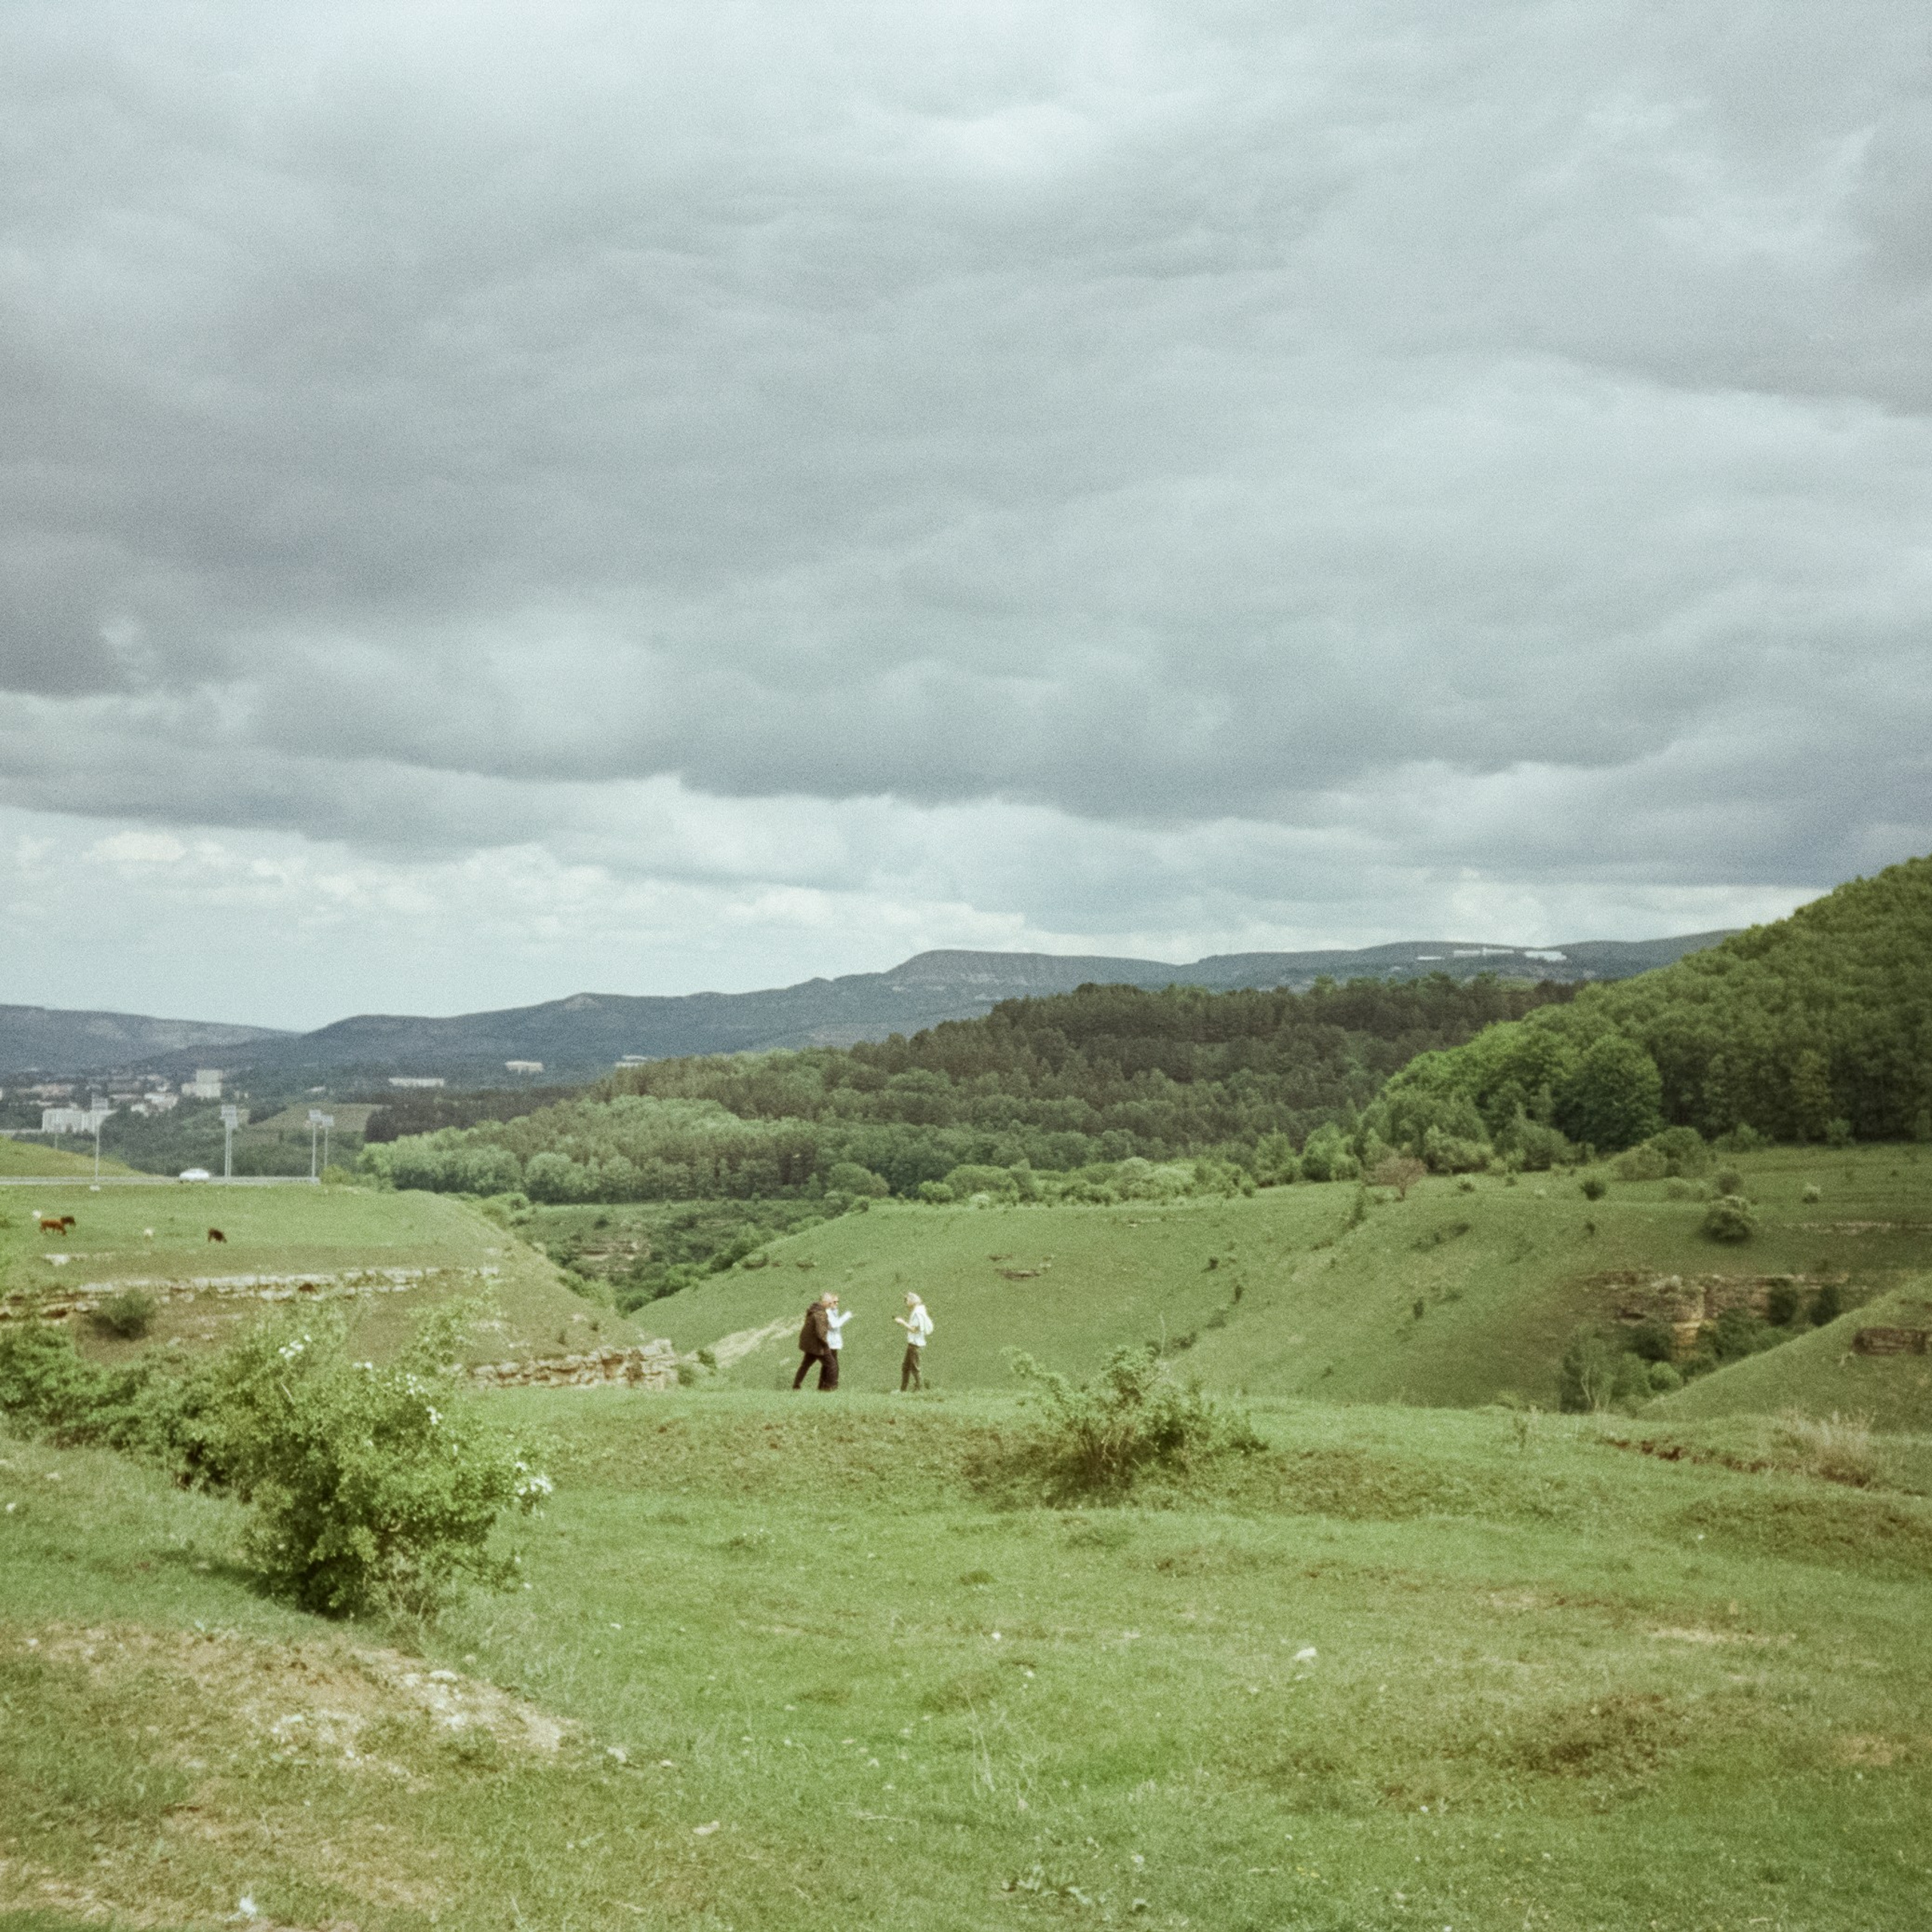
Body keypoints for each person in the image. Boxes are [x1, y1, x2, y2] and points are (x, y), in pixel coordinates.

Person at [894, 1291, 933, 1391]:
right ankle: (904, 1389)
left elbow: (914, 1330)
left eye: (907, 1300)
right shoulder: (919, 1311)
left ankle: (919, 1388)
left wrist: (902, 1322)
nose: (905, 1303)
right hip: (913, 1344)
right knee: (906, 1367)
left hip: (915, 1344)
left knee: (915, 1368)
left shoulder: (917, 1313)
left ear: (912, 1301)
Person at [793, 1294, 832, 1390]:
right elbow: (820, 1332)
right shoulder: (820, 1314)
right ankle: (826, 1387)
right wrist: (826, 1343)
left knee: (805, 1365)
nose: (830, 1305)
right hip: (817, 1345)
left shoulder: (814, 1310)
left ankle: (796, 1386)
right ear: (824, 1302)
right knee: (832, 1365)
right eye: (829, 1302)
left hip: (811, 1345)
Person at [820, 1292, 853, 1390]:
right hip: (829, 1344)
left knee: (829, 1365)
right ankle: (831, 1386)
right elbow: (835, 1325)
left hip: (832, 1344)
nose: (836, 1304)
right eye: (834, 1302)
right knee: (833, 1366)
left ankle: (824, 1386)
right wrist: (846, 1316)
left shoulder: (832, 1312)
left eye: (837, 1302)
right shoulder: (828, 1312)